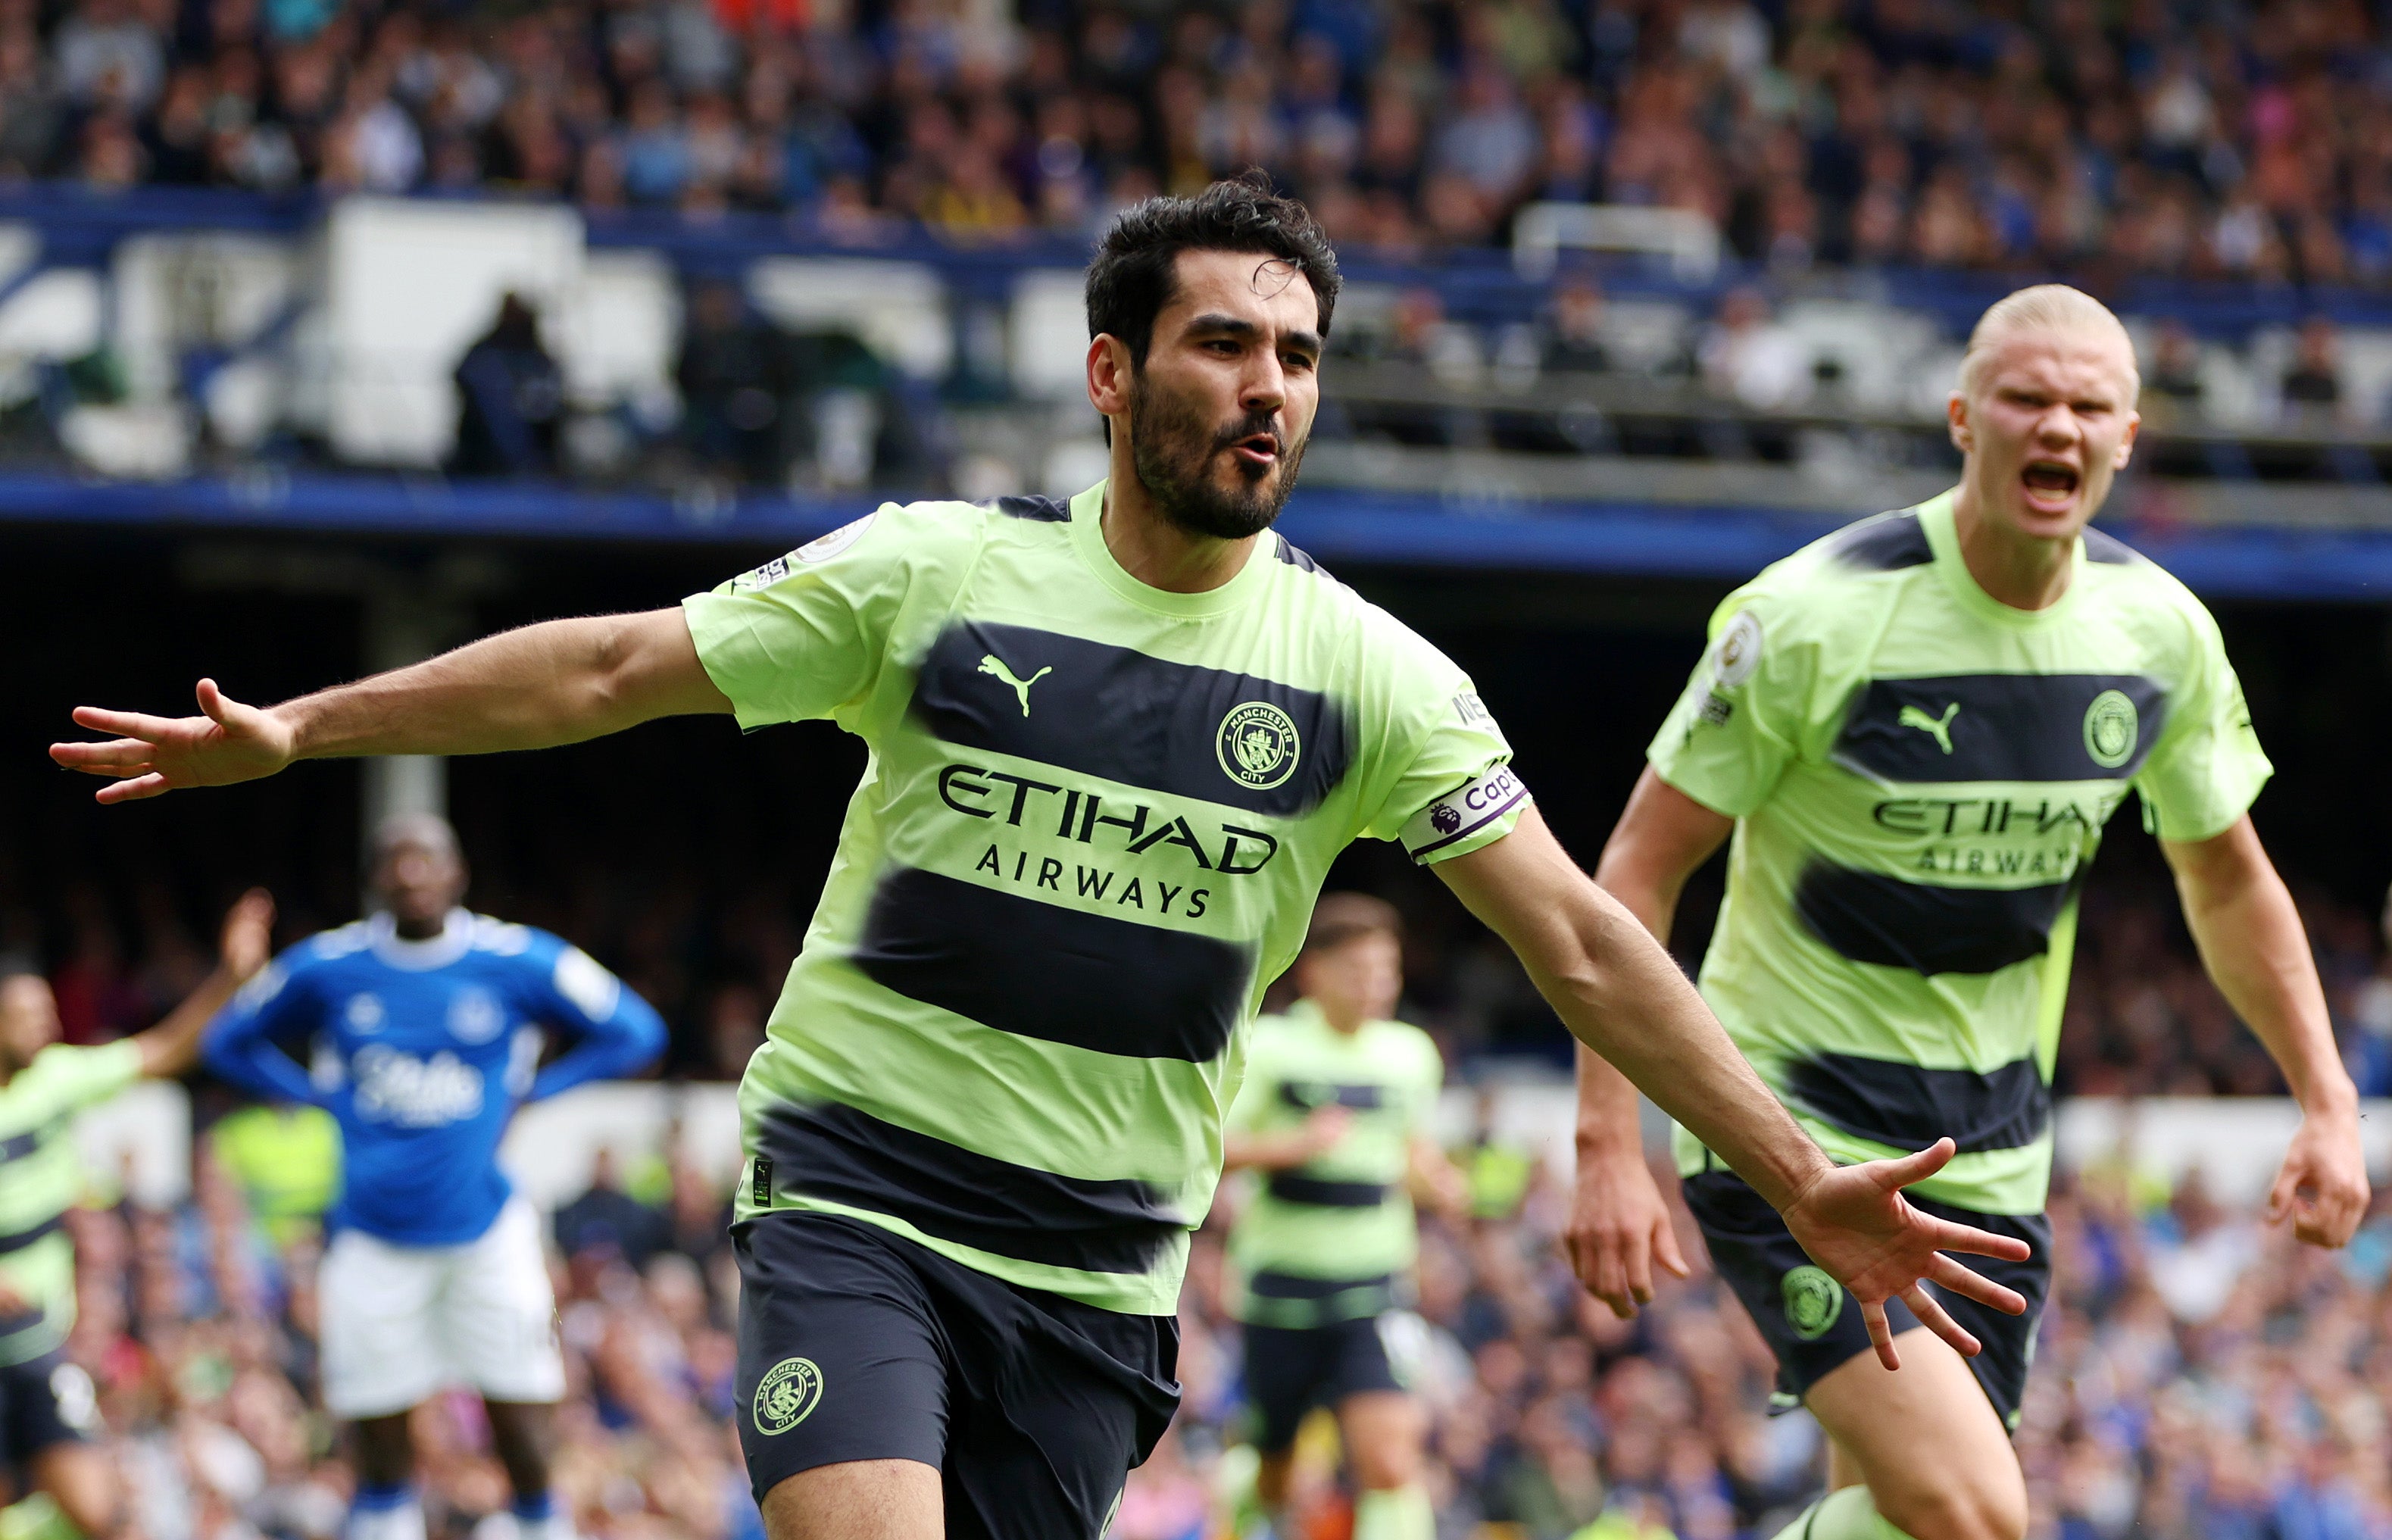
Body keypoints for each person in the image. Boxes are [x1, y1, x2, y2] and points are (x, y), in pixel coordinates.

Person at [55, 176, 2028, 1540]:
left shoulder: (1364, 676)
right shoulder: (934, 575)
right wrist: (309, 729)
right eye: (1225, 345)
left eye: (1300, 356)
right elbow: (605, 673)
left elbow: (1586, 951)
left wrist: (1789, 1173)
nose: (1268, 386)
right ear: (1112, 375)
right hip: (859, 1197)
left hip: (1099, 1269)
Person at [1564, 283, 2369, 1540]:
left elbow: (2225, 878)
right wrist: (1605, 1146)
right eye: (2025, 397)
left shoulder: (2155, 635)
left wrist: (2323, 1096)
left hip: (1988, 1164)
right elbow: (1634, 871)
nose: (2056, 423)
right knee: (1970, 1514)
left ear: (2124, 437)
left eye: (2086, 404)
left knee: (1892, 1516)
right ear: (1961, 418)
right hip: (1790, 1135)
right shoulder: (1813, 614)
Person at [201, 814, 667, 1540]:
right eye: (394, 860)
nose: (411, 872)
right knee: (381, 1449)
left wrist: (538, 1089)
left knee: (523, 1429)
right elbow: (225, 1040)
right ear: (373, 879)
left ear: (458, 873)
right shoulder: (327, 966)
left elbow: (637, 1030)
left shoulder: (515, 958)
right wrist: (310, 1095)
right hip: (370, 1239)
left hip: (487, 1234)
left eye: (427, 859)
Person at [0, 889, 274, 1540]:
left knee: (107, 1518)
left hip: (39, 1346)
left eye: (47, 1009)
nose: (47, 1023)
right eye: (27, 1013)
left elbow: (167, 1049)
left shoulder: (58, 1078)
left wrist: (230, 976)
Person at [1219, 893, 1465, 1540]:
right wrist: (1293, 1145)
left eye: (1387, 971)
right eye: (1359, 970)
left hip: (1373, 1287)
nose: (1376, 986)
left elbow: (1414, 1152)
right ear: (1314, 972)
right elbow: (1214, 1148)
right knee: (1276, 1461)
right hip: (1279, 1292)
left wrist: (1438, 1181)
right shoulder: (1268, 1045)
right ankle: (1251, 1514)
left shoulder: (1411, 1054)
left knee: (1388, 1459)